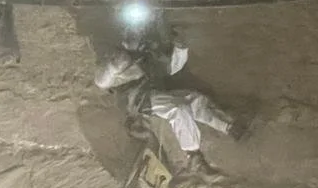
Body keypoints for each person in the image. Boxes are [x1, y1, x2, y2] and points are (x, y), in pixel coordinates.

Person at [94, 9, 233, 173]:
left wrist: (181, 48)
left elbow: (171, 68)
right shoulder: (120, 58)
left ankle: (228, 126)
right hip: (137, 99)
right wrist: (115, 65)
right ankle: (193, 155)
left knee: (194, 100)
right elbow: (101, 82)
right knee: (178, 109)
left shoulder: (149, 54)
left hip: (151, 94)